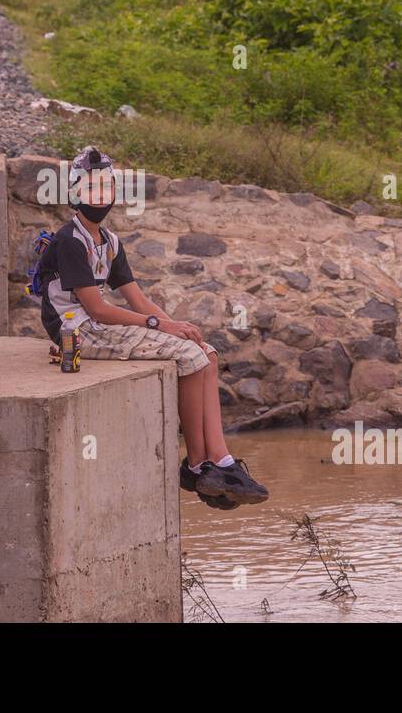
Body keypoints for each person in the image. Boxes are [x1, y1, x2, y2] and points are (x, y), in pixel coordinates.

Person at [37, 146, 270, 509]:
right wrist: (155, 324)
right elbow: (97, 310)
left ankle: (222, 460)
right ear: (76, 193)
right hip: (76, 331)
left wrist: (173, 324)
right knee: (188, 358)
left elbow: (138, 300)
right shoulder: (70, 240)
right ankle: (196, 466)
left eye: (106, 188)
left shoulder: (110, 242)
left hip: (97, 325)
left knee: (205, 353)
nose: (101, 196)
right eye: (92, 188)